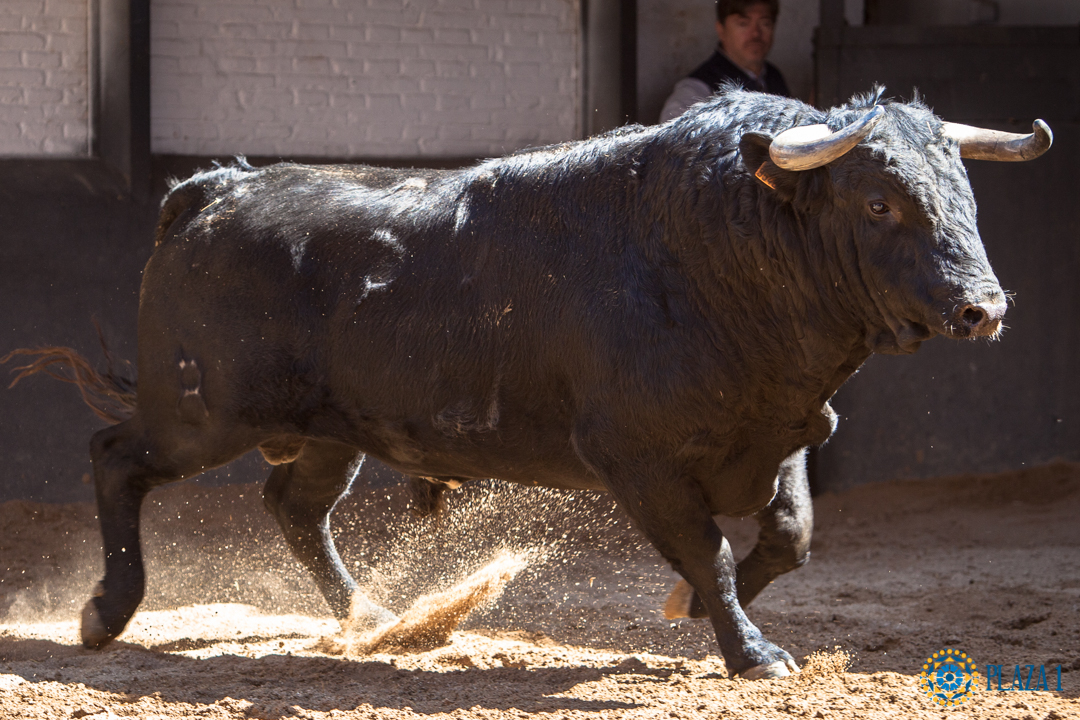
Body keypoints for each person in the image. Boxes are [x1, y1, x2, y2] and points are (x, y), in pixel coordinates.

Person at [659, 0, 790, 123]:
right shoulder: (698, 89)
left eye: (765, 23)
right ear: (721, 29)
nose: (755, 34)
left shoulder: (774, 77)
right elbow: (672, 140)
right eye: (743, 23)